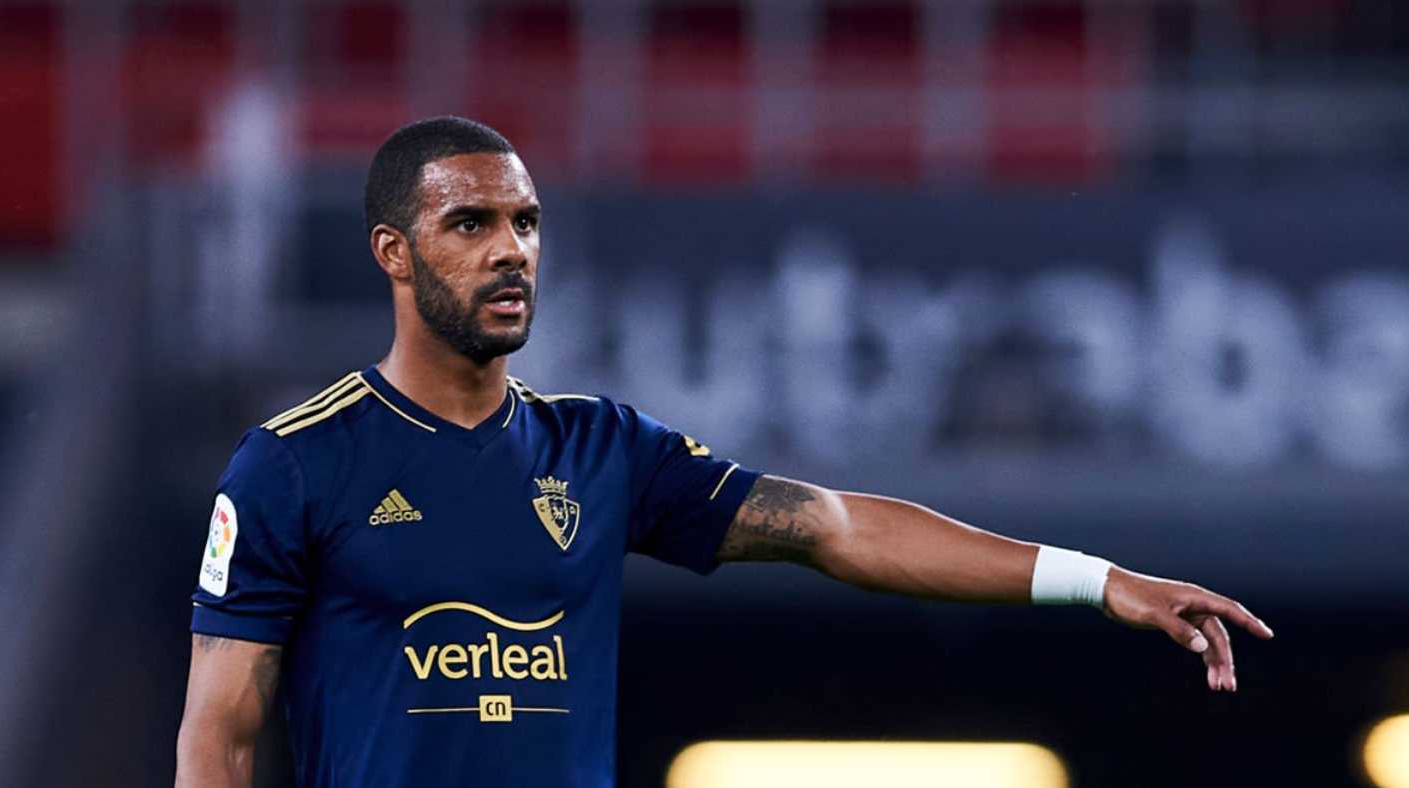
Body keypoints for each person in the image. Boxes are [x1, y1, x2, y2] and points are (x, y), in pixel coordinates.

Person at [174, 117, 1273, 788]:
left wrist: (1098, 579)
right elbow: (219, 737)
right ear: (393, 252)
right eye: (472, 224)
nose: (511, 250)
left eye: (527, 222)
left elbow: (837, 528)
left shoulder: (600, 448)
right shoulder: (296, 463)